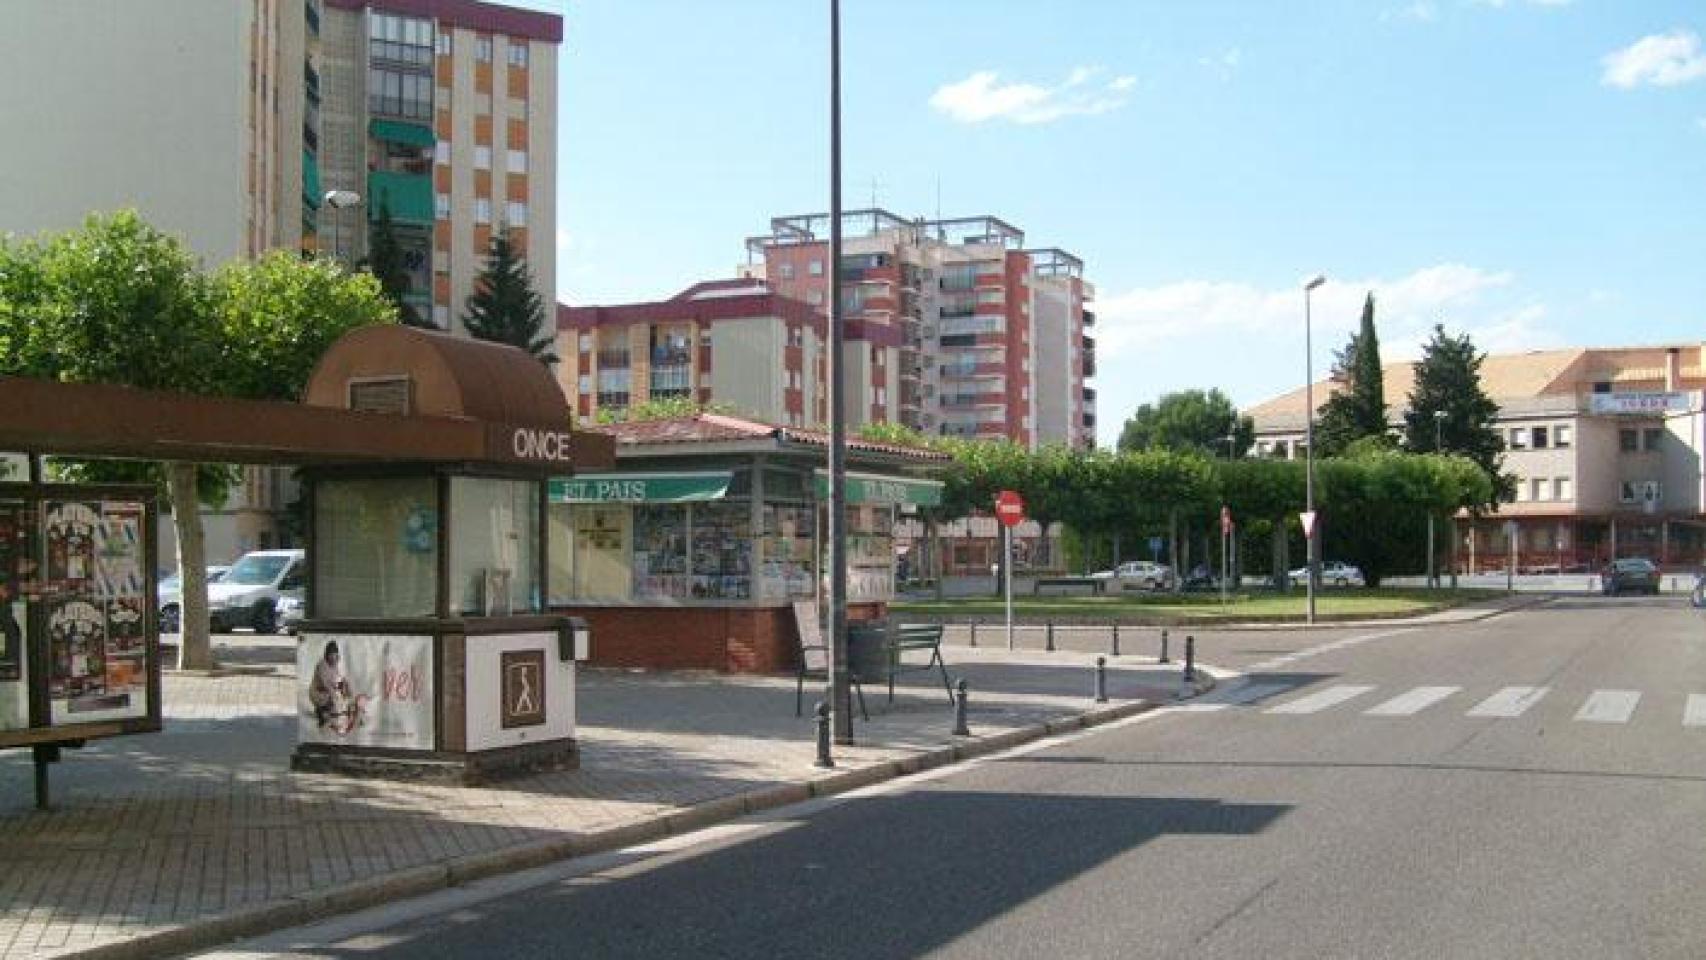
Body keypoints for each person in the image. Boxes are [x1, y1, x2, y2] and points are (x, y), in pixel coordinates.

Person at [309, 641, 357, 731]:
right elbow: (326, 683)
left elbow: (339, 678)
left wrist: (345, 686)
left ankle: (330, 711)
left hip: (328, 692)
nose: (333, 657)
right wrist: (337, 697)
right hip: (317, 692)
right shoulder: (322, 665)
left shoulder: (335, 664)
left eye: (335, 655)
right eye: (331, 655)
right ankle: (322, 714)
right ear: (327, 655)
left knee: (343, 689)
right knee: (333, 698)